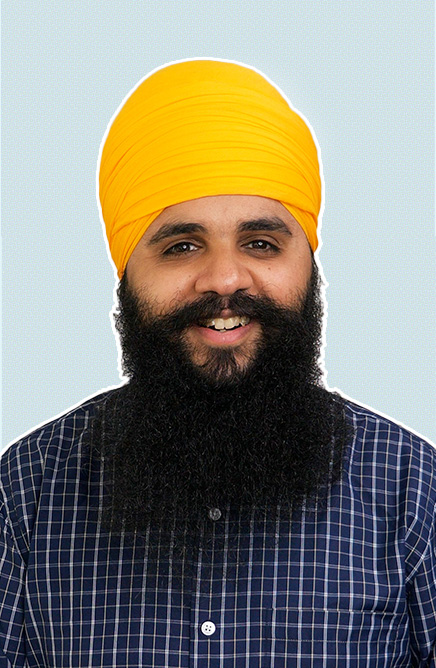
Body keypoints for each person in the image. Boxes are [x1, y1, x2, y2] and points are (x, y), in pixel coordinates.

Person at [1, 58, 435, 668]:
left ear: (308, 267)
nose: (226, 279)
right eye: (182, 246)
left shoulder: (412, 492)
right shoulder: (28, 495)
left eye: (261, 244)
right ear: (127, 274)